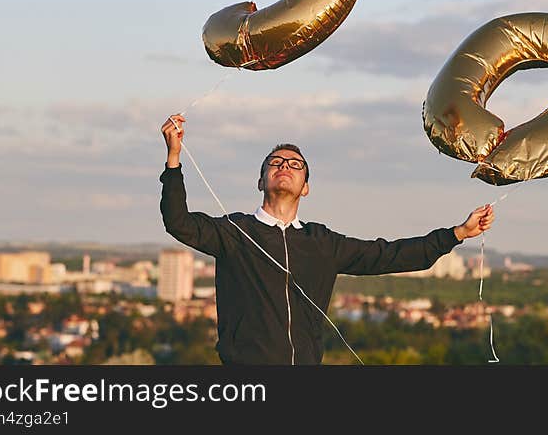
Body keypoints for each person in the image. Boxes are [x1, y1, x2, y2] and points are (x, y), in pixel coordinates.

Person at [159, 113, 495, 365]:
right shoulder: (234, 233)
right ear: (260, 181)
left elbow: (390, 255)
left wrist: (457, 234)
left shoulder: (322, 243)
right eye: (275, 163)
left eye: (295, 164)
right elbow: (178, 222)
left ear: (305, 187)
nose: (284, 166)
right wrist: (174, 158)